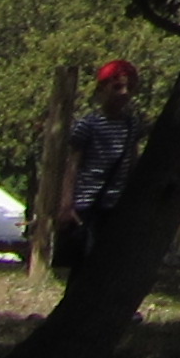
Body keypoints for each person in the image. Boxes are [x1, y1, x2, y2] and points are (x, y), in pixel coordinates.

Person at [62, 60, 140, 278]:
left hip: (117, 204)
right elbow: (74, 163)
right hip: (89, 204)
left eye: (129, 88)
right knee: (85, 260)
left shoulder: (131, 125)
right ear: (102, 89)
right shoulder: (89, 124)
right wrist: (68, 203)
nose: (124, 94)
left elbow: (133, 161)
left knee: (112, 261)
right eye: (117, 87)